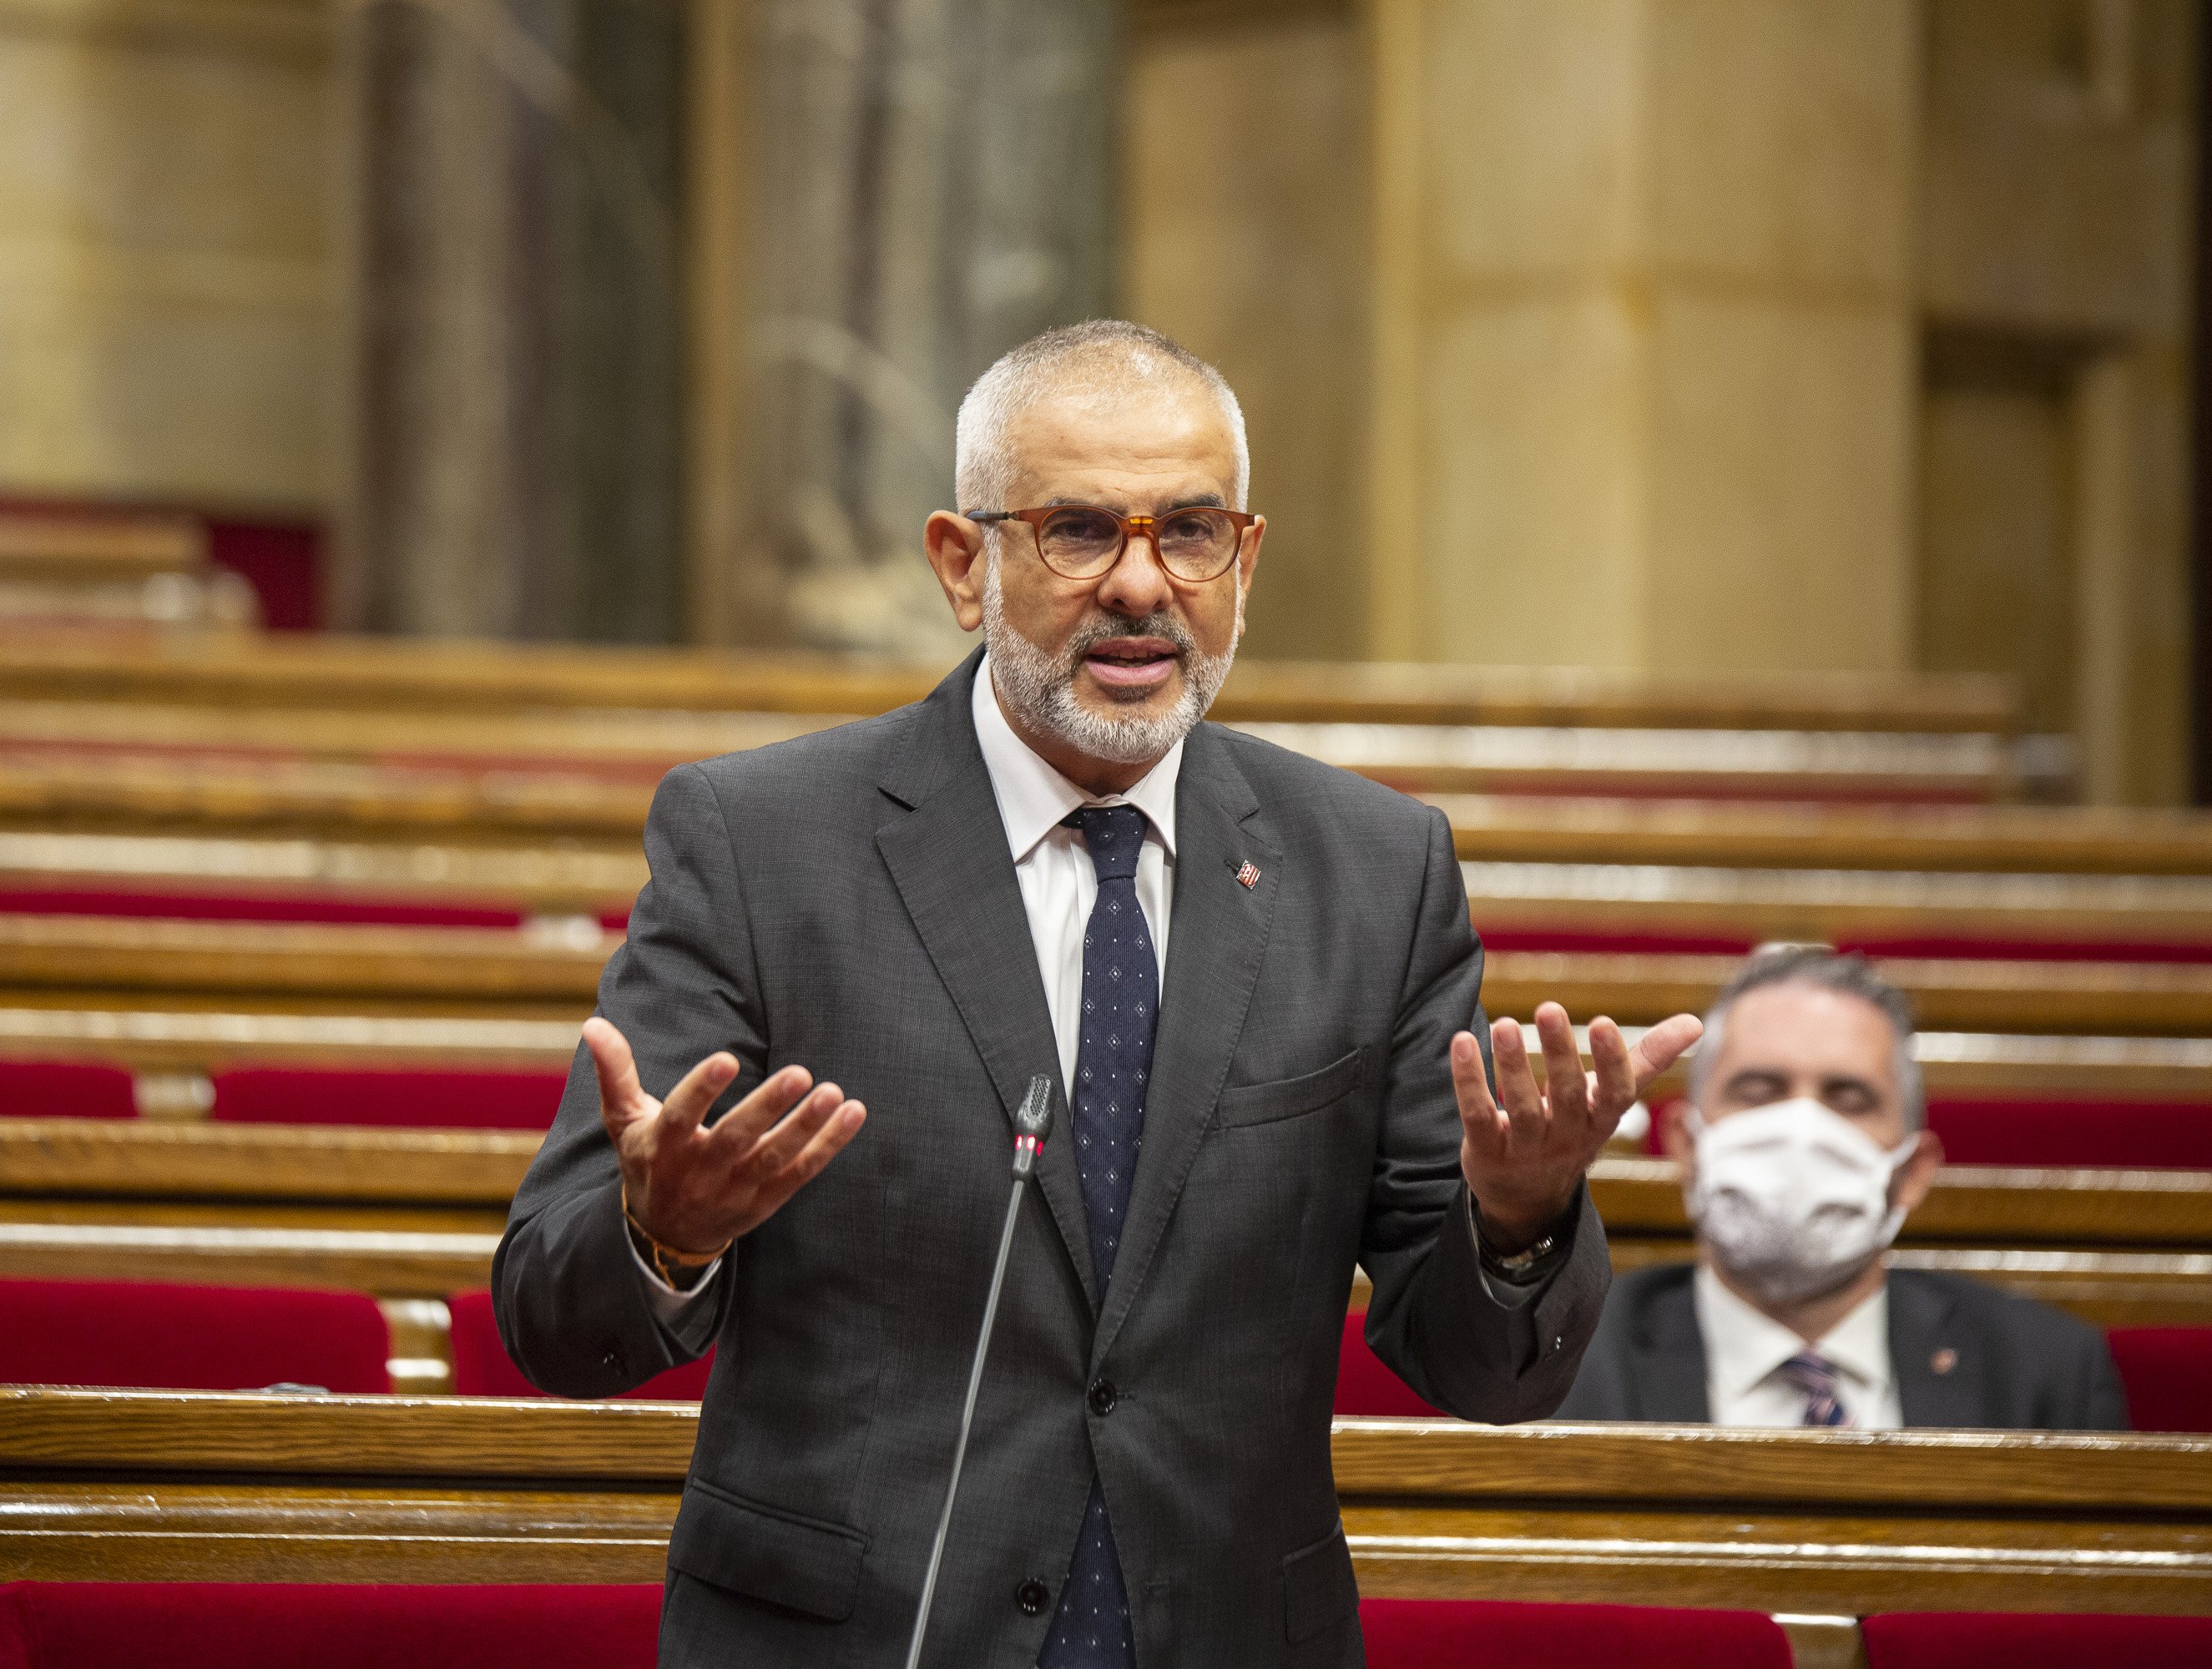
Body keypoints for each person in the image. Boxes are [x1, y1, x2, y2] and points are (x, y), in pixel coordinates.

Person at [492, 320, 1701, 1668]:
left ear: (1243, 561)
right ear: (964, 565)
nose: (1142, 586)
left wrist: (1522, 1215)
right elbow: (555, 1322)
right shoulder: (761, 847)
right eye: (1077, 532)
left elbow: (1487, 1375)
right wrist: (663, 1240)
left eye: (1189, 532)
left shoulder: (1374, 872)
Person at [1558, 946, 2129, 1431]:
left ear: (1912, 1172)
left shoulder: (2046, 1372)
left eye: (1848, 1099)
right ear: (1686, 1146)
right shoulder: (1567, 1366)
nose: (1802, 1130)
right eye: (1759, 1091)